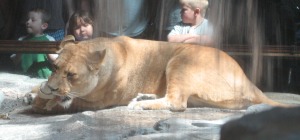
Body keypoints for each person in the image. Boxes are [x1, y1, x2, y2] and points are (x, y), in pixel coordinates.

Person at [11, 8, 57, 79]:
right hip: (23, 78)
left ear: (44, 26)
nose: (28, 22)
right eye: (27, 19)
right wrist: (20, 51)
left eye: (33, 20)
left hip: (44, 78)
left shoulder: (49, 40)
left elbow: (56, 62)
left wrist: (48, 51)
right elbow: (15, 62)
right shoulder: (21, 40)